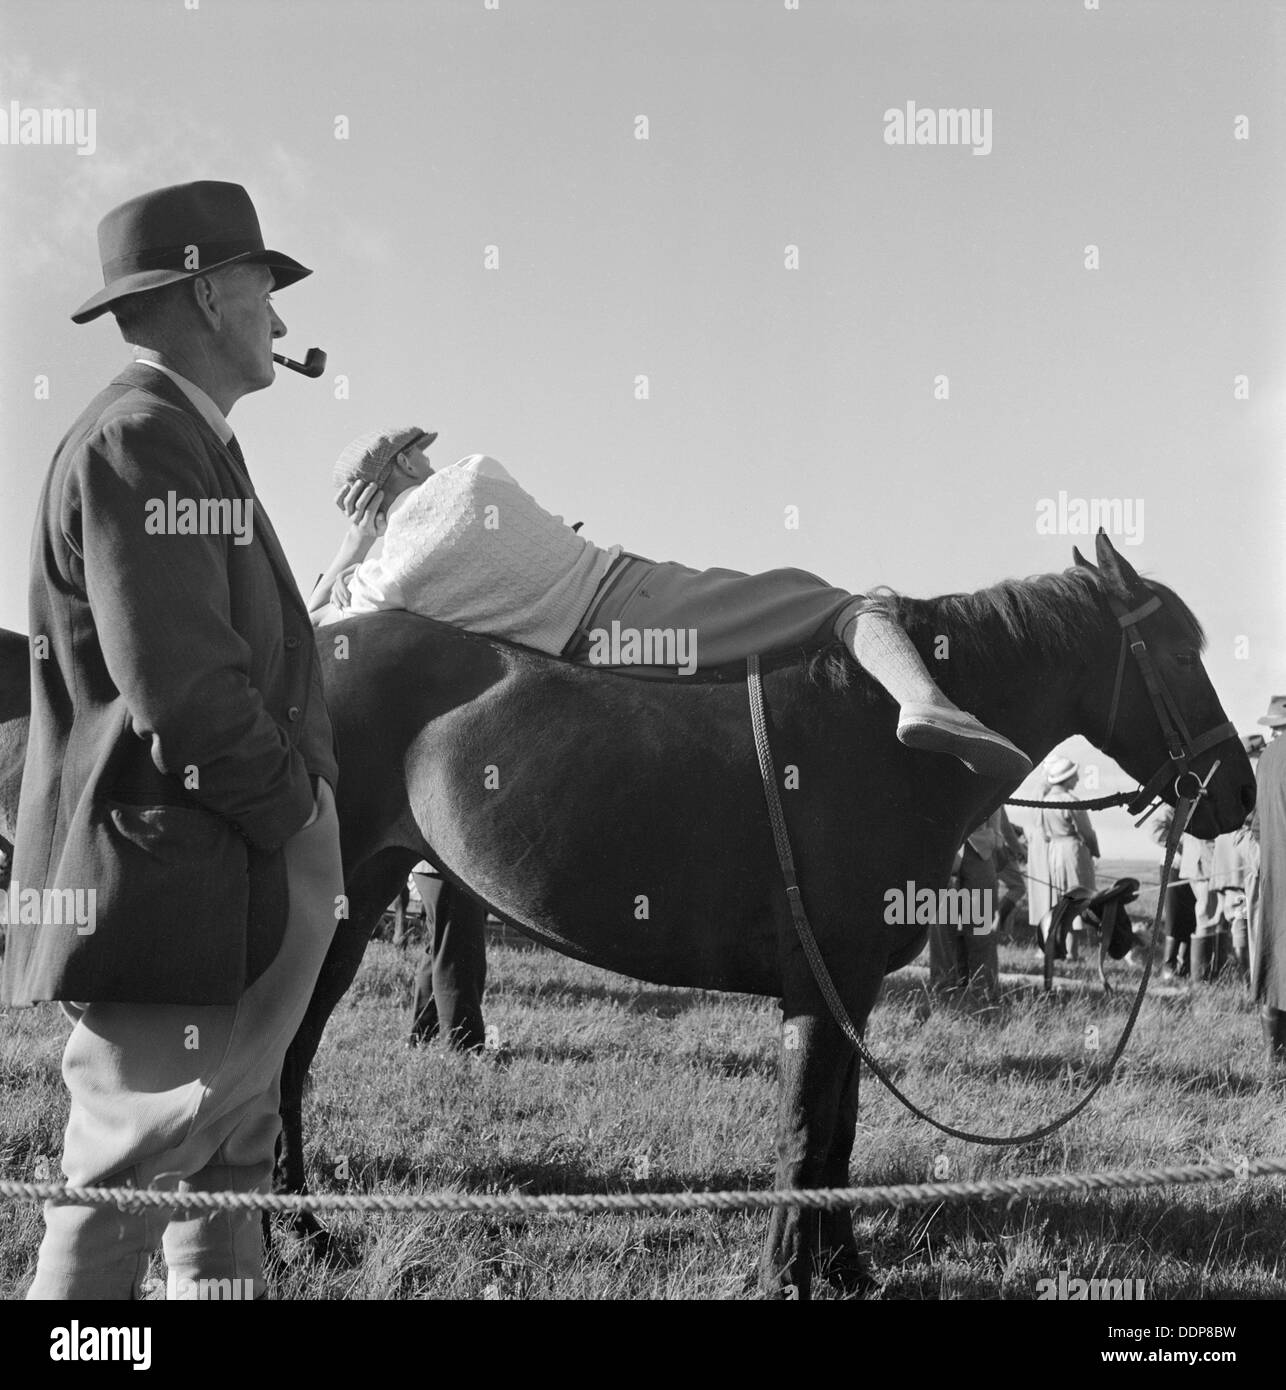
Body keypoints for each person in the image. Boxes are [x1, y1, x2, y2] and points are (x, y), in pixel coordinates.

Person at [0, 182, 341, 1300]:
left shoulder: (179, 437)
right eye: (263, 292)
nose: (281, 323)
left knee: (223, 1166)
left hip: (211, 882)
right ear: (205, 291)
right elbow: (188, 695)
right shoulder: (141, 438)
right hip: (175, 885)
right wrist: (299, 816)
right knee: (126, 1174)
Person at [307, 431, 1033, 786]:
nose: (432, 458)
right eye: (417, 453)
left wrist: (353, 546)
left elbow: (318, 624)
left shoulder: (391, 575)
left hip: (578, 663)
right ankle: (925, 703)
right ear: (403, 465)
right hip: (632, 597)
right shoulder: (474, 477)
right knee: (837, 601)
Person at [407, 863, 487, 1051]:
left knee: (440, 948)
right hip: (451, 865)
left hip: (437, 867)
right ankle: (464, 1047)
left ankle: (424, 1036)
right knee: (458, 952)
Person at [1036, 756, 1099, 959]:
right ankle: (1072, 952)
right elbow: (1087, 832)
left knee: (1062, 899)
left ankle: (1061, 948)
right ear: (1067, 778)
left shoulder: (1045, 801)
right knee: (1079, 898)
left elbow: (1044, 833)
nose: (1078, 779)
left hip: (1055, 851)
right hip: (1073, 851)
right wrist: (1094, 851)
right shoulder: (1071, 801)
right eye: (1074, 775)